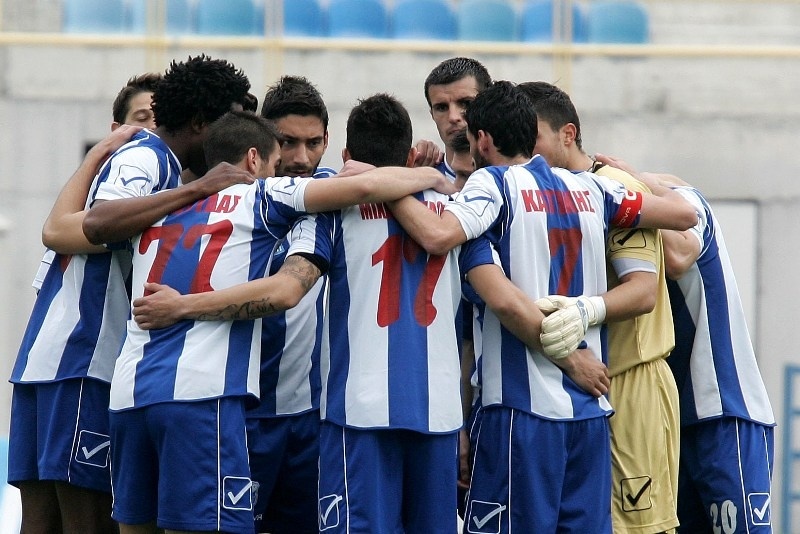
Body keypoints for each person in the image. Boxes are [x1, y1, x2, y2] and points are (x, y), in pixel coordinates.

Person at [109, 108, 456, 534]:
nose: (290, 164)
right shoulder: (266, 196)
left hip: (128, 392)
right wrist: (438, 178)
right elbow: (289, 287)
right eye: (280, 155)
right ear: (254, 160)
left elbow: (75, 226)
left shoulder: (155, 210)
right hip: (204, 397)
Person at [385, 81, 698, 533]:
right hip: (589, 414)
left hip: (519, 413)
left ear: (483, 140)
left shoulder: (490, 186)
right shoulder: (589, 189)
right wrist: (630, 175)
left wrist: (388, 185)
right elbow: (683, 216)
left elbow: (439, 238)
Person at [8, 56, 254, 534]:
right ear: (201, 122)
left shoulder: (159, 164)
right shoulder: (147, 157)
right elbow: (100, 221)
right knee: (87, 521)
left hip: (51, 360)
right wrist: (199, 188)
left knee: (43, 523)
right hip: (85, 359)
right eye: (226, 123)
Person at [520, 81, 681, 534]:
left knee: (639, 528)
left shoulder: (612, 188)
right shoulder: (543, 194)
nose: (524, 152)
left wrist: (584, 311)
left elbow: (643, 291)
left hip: (633, 380)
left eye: (533, 139)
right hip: (582, 390)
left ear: (567, 135)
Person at [596, 156, 776, 534]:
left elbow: (678, 256)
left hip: (724, 409)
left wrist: (625, 195)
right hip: (665, 416)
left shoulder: (686, 200)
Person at [246, 75, 335, 533]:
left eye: (313, 143)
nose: (301, 158)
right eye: (288, 142)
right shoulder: (235, 202)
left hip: (316, 422)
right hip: (244, 414)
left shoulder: (341, 197)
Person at [423, 56, 491, 181]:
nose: (453, 117)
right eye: (442, 107)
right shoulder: (417, 182)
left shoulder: (519, 182)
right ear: (432, 114)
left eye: (466, 103)